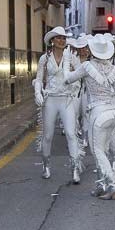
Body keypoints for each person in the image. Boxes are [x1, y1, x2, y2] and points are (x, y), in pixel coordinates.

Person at [65, 34, 115, 200]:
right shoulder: (113, 69)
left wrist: (65, 63)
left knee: (98, 151)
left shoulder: (86, 66)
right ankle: (101, 185)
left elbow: (68, 79)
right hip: (112, 113)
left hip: (98, 114)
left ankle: (113, 184)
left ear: (92, 50)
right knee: (103, 151)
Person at [33, 26, 83, 183]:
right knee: (47, 135)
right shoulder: (44, 59)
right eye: (59, 38)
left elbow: (80, 74)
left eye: (64, 38)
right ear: (52, 41)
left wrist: (75, 88)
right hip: (51, 99)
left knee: (70, 133)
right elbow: (39, 79)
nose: (62, 40)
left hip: (66, 99)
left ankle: (75, 169)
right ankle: (46, 166)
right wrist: (37, 93)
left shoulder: (72, 57)